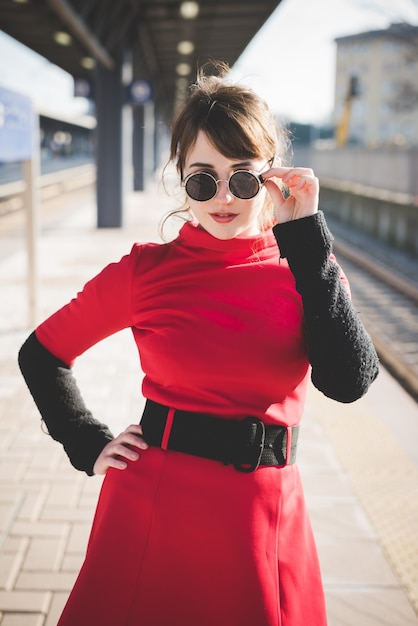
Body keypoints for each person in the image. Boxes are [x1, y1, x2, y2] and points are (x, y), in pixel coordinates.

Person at [18, 63, 379, 626]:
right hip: (151, 512)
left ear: (271, 178)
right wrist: (85, 441)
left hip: (264, 519)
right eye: (202, 178)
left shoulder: (307, 268)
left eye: (242, 177)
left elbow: (349, 382)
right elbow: (41, 354)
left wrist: (307, 238)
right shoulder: (145, 271)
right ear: (181, 179)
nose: (223, 198)